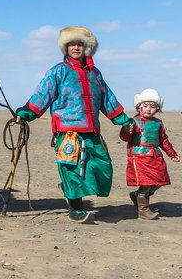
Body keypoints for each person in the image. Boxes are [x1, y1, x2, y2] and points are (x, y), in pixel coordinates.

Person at [15, 26, 133, 223]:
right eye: (72, 44)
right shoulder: (58, 71)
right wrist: (25, 114)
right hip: (68, 131)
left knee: (101, 167)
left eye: (80, 44)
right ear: (65, 48)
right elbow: (43, 95)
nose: (76, 48)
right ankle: (76, 207)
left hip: (92, 131)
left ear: (87, 48)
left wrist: (123, 120)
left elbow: (107, 99)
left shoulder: (95, 73)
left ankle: (69, 191)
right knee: (72, 170)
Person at [119, 88, 179, 220]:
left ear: (158, 109)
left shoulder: (158, 123)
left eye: (152, 107)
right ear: (138, 107)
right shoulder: (133, 122)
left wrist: (172, 154)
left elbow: (164, 141)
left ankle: (138, 195)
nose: (148, 109)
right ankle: (143, 210)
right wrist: (125, 130)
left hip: (155, 156)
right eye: (145, 106)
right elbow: (124, 137)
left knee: (159, 181)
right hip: (139, 156)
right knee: (146, 183)